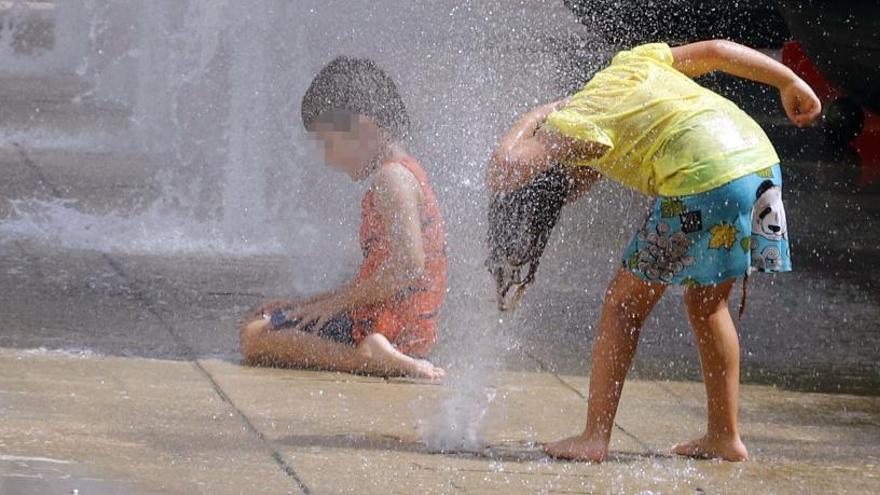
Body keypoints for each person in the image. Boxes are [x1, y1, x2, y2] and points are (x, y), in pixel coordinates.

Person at [487, 40, 821, 462]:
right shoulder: (633, 64)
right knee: (707, 303)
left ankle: (594, 437)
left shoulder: (576, 120)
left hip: (704, 176)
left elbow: (502, 171)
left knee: (623, 307)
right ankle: (724, 436)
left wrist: (537, 115)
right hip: (756, 162)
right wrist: (788, 80)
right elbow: (717, 50)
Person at [240, 56, 447, 380]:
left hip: (389, 327)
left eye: (329, 143)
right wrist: (309, 304)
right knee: (275, 318)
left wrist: (335, 306)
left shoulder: (392, 180)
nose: (328, 158)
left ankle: (365, 358)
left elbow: (408, 265)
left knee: (254, 335)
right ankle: (380, 353)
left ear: (365, 129)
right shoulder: (406, 173)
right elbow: (381, 276)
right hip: (408, 328)